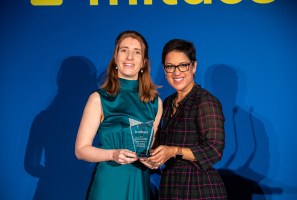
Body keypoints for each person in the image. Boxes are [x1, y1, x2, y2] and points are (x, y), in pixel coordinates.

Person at [75, 30, 163, 200]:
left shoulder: (155, 103)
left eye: (136, 52)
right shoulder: (99, 98)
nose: (130, 57)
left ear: (144, 62)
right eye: (124, 50)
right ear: (116, 57)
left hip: (139, 184)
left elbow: (149, 150)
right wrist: (112, 154)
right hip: (109, 184)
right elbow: (81, 150)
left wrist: (154, 160)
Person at [146, 39, 227, 199]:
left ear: (194, 66)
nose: (177, 72)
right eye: (170, 67)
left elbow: (214, 149)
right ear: (164, 69)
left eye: (183, 65)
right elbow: (162, 146)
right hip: (171, 187)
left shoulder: (205, 101)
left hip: (199, 189)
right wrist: (152, 156)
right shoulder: (167, 103)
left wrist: (174, 151)